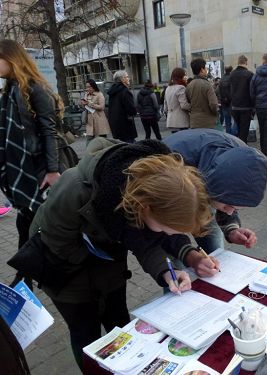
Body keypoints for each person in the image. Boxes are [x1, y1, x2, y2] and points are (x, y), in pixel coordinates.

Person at [28, 138, 214, 369]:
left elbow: (143, 241)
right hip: (63, 268)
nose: (168, 234)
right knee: (86, 332)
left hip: (107, 262)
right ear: (144, 209)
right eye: (166, 229)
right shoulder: (76, 188)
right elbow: (55, 241)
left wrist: (168, 270)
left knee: (119, 323)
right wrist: (95, 267)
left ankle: (124, 367)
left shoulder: (146, 195)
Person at [0, 39, 62, 289]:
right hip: (22, 167)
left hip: (37, 168)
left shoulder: (35, 88)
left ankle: (49, 272)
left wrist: (53, 170)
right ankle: (25, 272)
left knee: (42, 222)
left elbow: (49, 131)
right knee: (25, 219)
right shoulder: (10, 89)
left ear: (11, 59)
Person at [165, 128, 267, 254]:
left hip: (203, 178)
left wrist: (231, 228)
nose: (231, 213)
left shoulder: (244, 159)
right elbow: (163, 223)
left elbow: (229, 194)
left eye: (236, 209)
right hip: (172, 182)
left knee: (216, 255)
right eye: (229, 206)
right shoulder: (173, 166)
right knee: (176, 262)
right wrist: (186, 254)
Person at [186, 58, 219, 129]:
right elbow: (213, 104)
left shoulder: (189, 85)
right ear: (201, 70)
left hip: (194, 122)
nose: (206, 70)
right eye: (205, 68)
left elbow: (188, 102)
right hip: (208, 122)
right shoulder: (207, 84)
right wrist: (216, 112)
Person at [107, 70, 137, 143]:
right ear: (122, 79)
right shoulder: (125, 91)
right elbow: (131, 109)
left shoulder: (113, 91)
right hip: (125, 123)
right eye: (127, 77)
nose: (128, 78)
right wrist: (135, 111)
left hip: (116, 123)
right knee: (130, 146)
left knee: (124, 143)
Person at [230, 55, 254, 143]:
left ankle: (239, 146)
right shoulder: (250, 74)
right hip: (246, 107)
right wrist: (253, 106)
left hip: (235, 106)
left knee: (238, 128)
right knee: (244, 131)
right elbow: (252, 91)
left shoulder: (232, 74)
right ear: (246, 62)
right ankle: (242, 148)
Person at [81, 79, 111, 145]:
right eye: (87, 87)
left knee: (102, 137)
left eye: (89, 86)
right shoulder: (86, 95)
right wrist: (83, 104)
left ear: (93, 86)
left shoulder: (99, 94)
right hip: (90, 119)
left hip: (99, 118)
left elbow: (102, 107)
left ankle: (106, 151)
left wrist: (90, 104)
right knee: (89, 137)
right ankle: (89, 153)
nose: (88, 88)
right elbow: (85, 107)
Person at [164, 67, 191, 133]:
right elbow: (184, 105)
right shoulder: (180, 88)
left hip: (171, 121)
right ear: (180, 76)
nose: (185, 77)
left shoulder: (168, 88)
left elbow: (165, 107)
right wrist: (193, 106)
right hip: (180, 121)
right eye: (184, 75)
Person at [219, 65, 235, 135]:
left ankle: (229, 135)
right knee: (236, 121)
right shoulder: (232, 78)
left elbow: (219, 91)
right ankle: (233, 134)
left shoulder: (221, 79)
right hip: (231, 102)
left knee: (228, 122)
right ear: (231, 70)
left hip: (224, 103)